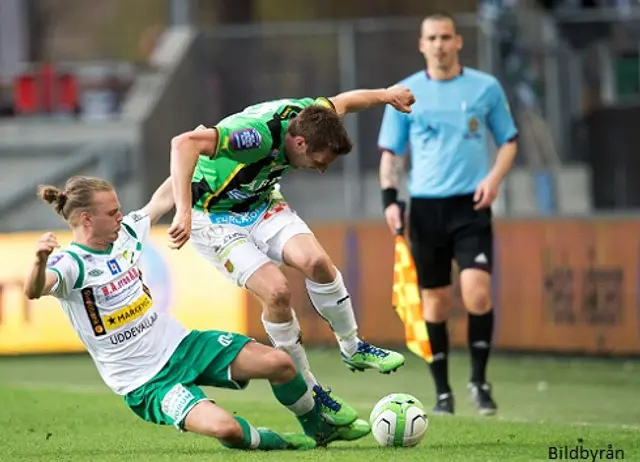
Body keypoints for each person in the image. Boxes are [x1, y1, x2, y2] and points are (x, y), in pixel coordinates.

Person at [24, 175, 363, 451]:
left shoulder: (126, 234)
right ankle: (277, 443)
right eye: (112, 212)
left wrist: (197, 152)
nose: (119, 216)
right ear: (86, 219)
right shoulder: (70, 264)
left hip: (184, 345)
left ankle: (319, 429)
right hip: (147, 382)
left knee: (281, 363)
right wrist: (39, 261)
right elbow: (34, 289)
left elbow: (163, 196)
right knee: (226, 429)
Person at [166, 86, 416, 428]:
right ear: (299, 143)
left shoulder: (312, 114)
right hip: (214, 217)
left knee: (317, 263)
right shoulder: (252, 138)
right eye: (319, 161)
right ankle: (312, 394)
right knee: (278, 292)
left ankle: (352, 346)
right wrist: (182, 212)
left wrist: (386, 95)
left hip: (261, 203)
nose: (322, 169)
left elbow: (346, 102)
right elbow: (184, 143)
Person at [377, 12, 519, 416]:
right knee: (435, 305)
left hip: (470, 205)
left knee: (476, 291)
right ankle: (442, 392)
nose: (439, 44)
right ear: (422, 45)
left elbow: (508, 141)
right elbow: (391, 153)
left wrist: (494, 179)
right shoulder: (404, 94)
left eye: (445, 37)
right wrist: (390, 199)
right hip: (425, 209)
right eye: (431, 38)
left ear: (458, 41)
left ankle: (479, 381)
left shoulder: (484, 88)